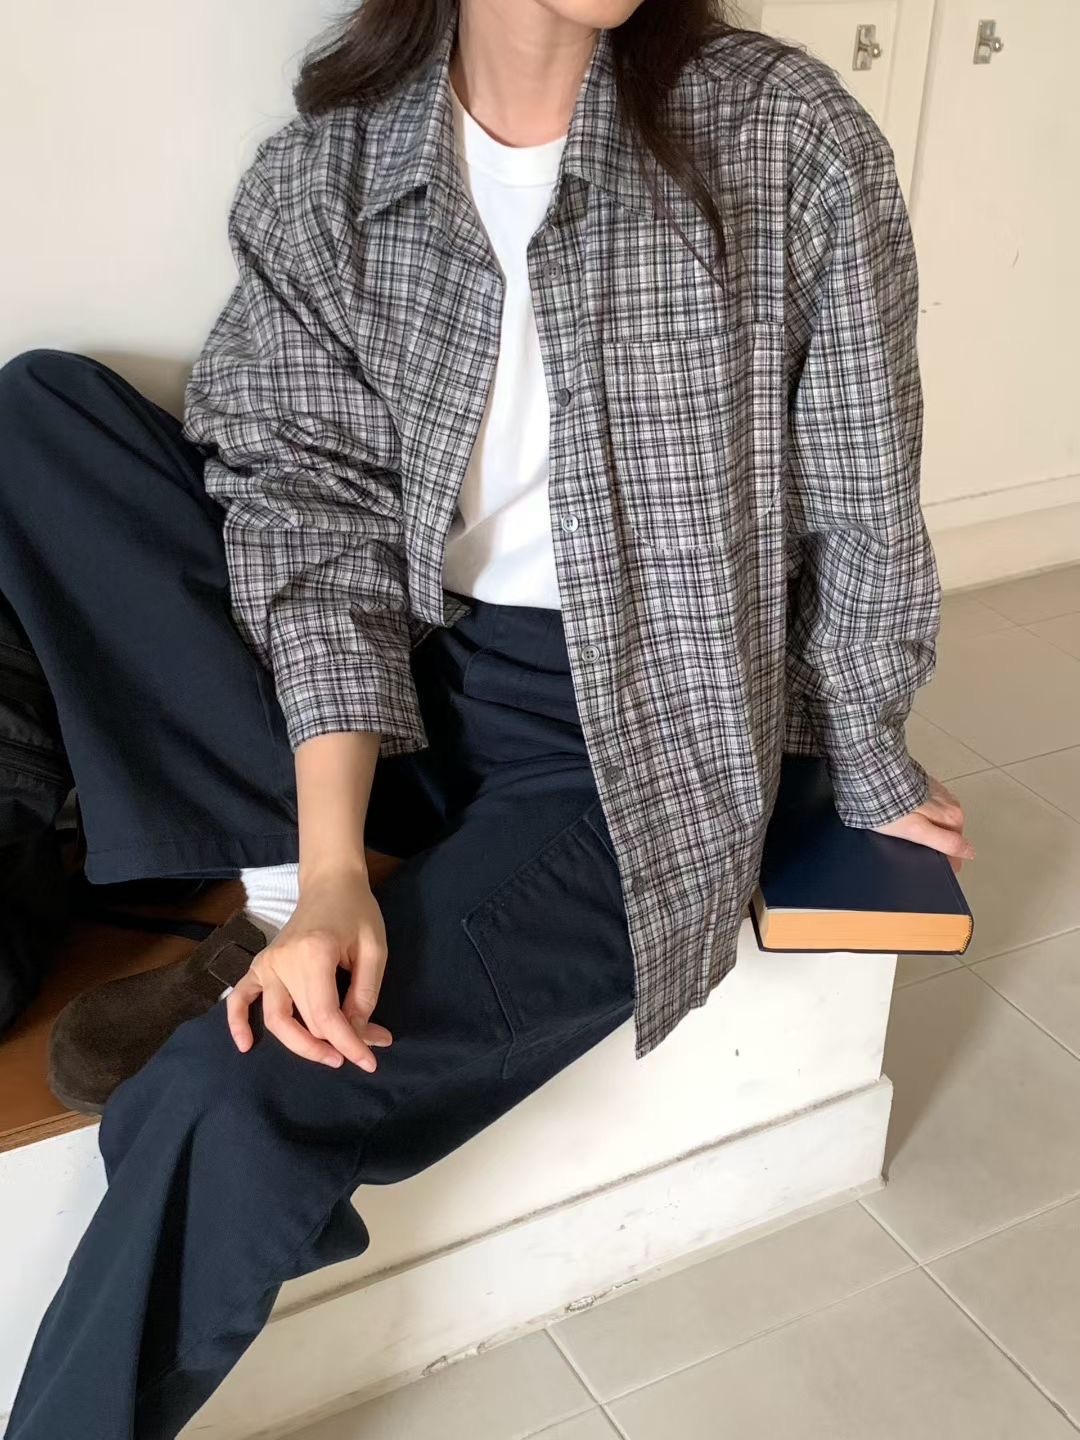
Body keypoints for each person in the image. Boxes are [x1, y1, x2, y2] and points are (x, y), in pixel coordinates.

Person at [1, 0, 973, 1434]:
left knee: (236, 1096)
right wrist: (326, 866)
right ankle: (282, 902)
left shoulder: (787, 138)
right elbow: (309, 517)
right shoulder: (332, 169)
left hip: (629, 741)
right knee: (47, 416)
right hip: (393, 684)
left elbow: (864, 494)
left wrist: (866, 752)